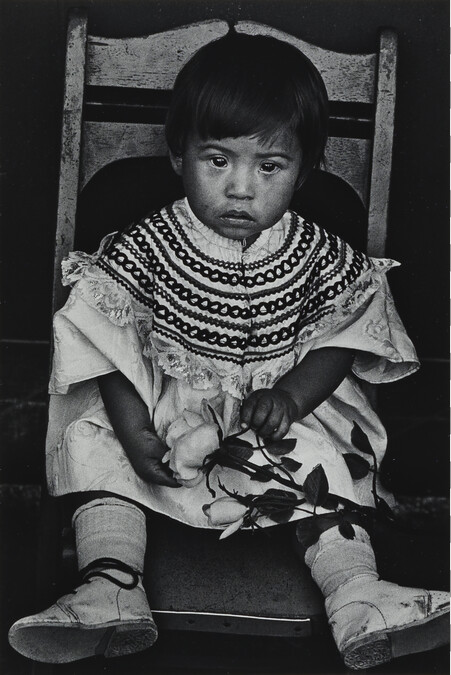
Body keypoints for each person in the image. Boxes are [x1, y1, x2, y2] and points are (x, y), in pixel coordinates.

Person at [8, 30, 449, 670]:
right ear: (177, 156)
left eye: (269, 167)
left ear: (303, 172)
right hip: (162, 411)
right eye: (217, 161)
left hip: (272, 419)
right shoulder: (144, 247)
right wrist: (136, 435)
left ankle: (357, 595)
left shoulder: (318, 254)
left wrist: (293, 397)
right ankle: (110, 588)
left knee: (328, 449)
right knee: (94, 435)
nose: (241, 189)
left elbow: (346, 340)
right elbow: (107, 348)